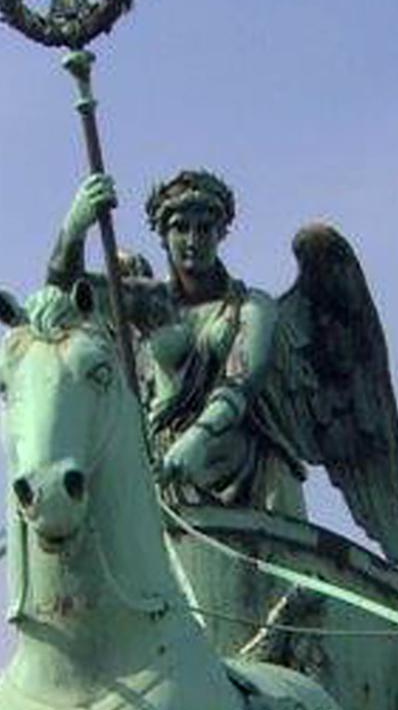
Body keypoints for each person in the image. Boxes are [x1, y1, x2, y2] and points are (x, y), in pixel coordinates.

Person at [45, 169, 310, 520]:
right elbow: (62, 293)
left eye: (204, 228)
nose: (192, 239)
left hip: (249, 475)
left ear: (221, 233)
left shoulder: (252, 306)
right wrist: (75, 227)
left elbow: (242, 380)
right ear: (163, 234)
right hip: (164, 469)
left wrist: (197, 439)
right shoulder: (148, 302)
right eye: (180, 227)